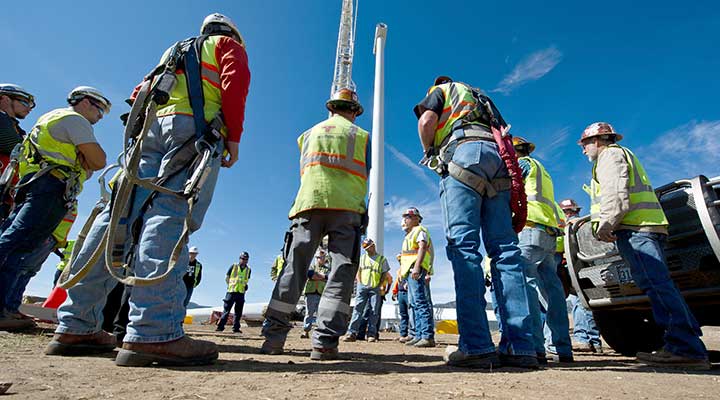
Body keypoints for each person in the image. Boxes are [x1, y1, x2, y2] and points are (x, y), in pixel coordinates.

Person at [49, 13, 250, 367]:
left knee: (117, 217)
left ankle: (75, 323)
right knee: (170, 215)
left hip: (149, 133)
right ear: (232, 33)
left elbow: (138, 93)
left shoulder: (174, 50)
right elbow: (234, 86)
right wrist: (233, 138)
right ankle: (154, 332)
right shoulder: (226, 46)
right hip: (194, 133)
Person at [414, 76, 537, 369]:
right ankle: (521, 347)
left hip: (462, 155)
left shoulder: (441, 90)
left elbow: (426, 122)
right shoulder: (482, 97)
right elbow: (504, 133)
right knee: (506, 253)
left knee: (464, 249)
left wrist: (430, 152)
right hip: (498, 162)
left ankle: (477, 346)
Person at [579, 122, 710, 370]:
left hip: (636, 230)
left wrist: (606, 225)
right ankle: (683, 344)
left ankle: (685, 348)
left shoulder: (610, 155)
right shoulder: (621, 154)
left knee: (657, 286)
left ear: (597, 141)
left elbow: (616, 193)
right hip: (646, 227)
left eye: (584, 144)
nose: (584, 150)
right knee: (661, 285)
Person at [261, 88, 369, 361]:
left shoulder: (308, 135)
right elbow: (366, 171)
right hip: (346, 208)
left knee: (294, 268)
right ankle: (324, 343)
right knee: (341, 271)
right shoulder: (362, 136)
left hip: (309, 203)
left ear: (331, 108)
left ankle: (274, 338)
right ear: (354, 111)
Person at [0, 86, 109, 331]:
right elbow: (99, 161)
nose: (100, 115)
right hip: (50, 185)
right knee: (15, 241)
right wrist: (85, 158)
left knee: (22, 246)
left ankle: (7, 306)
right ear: (84, 102)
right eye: (99, 108)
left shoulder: (52, 119)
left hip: (38, 184)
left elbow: (91, 167)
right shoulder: (72, 119)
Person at [513, 136, 573, 363]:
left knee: (525, 286)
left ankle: (534, 346)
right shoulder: (541, 169)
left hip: (529, 229)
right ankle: (561, 349)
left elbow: (511, 192)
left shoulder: (520, 165)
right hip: (547, 233)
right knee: (552, 292)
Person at [558, 198, 603, 354]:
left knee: (579, 301)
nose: (571, 214)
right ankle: (594, 341)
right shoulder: (584, 224)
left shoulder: (570, 226)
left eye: (572, 211)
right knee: (585, 300)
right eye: (568, 211)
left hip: (576, 266)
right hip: (585, 265)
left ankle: (583, 339)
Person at [398, 208, 435, 348]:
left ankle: (427, 336)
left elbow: (422, 248)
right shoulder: (408, 235)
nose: (405, 220)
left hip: (416, 269)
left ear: (416, 218)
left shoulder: (420, 230)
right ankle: (419, 335)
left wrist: (417, 267)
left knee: (420, 302)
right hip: (410, 272)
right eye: (405, 217)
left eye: (408, 217)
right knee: (414, 304)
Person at [344, 238, 391, 343]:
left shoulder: (382, 259)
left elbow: (384, 273)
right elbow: (358, 271)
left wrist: (379, 284)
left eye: (369, 247)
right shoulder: (362, 258)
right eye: (366, 248)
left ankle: (371, 334)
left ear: (373, 246)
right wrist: (360, 282)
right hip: (362, 287)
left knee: (374, 311)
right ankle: (351, 332)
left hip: (375, 287)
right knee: (358, 309)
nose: (368, 250)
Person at [0, 84, 34, 220]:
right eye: (25, 102)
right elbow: (12, 145)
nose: (29, 108)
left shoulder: (13, 126)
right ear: (5, 99)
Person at [216, 252, 251, 333]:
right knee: (226, 310)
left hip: (241, 293)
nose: (244, 260)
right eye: (243, 259)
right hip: (231, 291)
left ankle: (236, 328)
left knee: (238, 312)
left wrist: (245, 286)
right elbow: (227, 278)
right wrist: (230, 285)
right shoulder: (234, 266)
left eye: (246, 259)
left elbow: (246, 279)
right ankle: (220, 327)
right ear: (239, 258)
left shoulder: (248, 269)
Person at [301, 249, 330, 338]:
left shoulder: (328, 269)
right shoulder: (311, 267)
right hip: (311, 292)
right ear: (316, 258)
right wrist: (322, 277)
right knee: (309, 313)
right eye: (319, 257)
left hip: (321, 293)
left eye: (322, 257)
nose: (320, 259)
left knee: (320, 313)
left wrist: (318, 276)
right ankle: (306, 331)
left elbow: (328, 278)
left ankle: (319, 332)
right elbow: (311, 275)